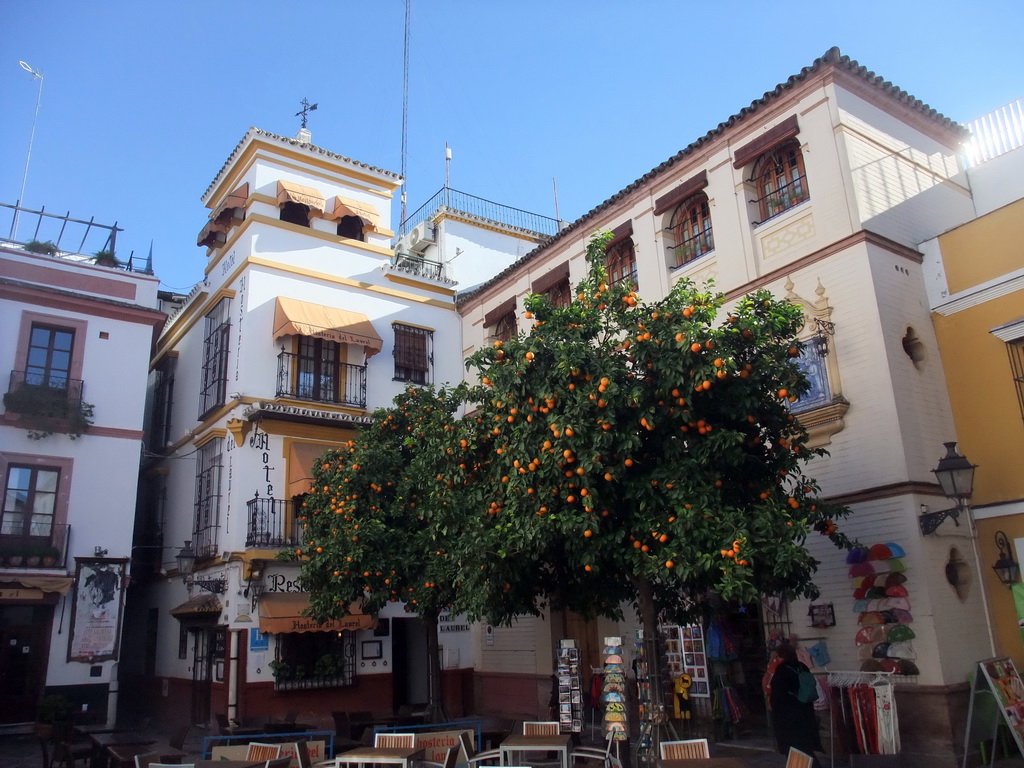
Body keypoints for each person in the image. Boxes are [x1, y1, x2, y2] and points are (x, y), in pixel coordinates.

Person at [769, 643, 822, 763]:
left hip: (788, 715)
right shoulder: (802, 666)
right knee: (805, 746)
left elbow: (777, 695)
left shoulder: (782, 670)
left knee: (794, 748)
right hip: (805, 711)